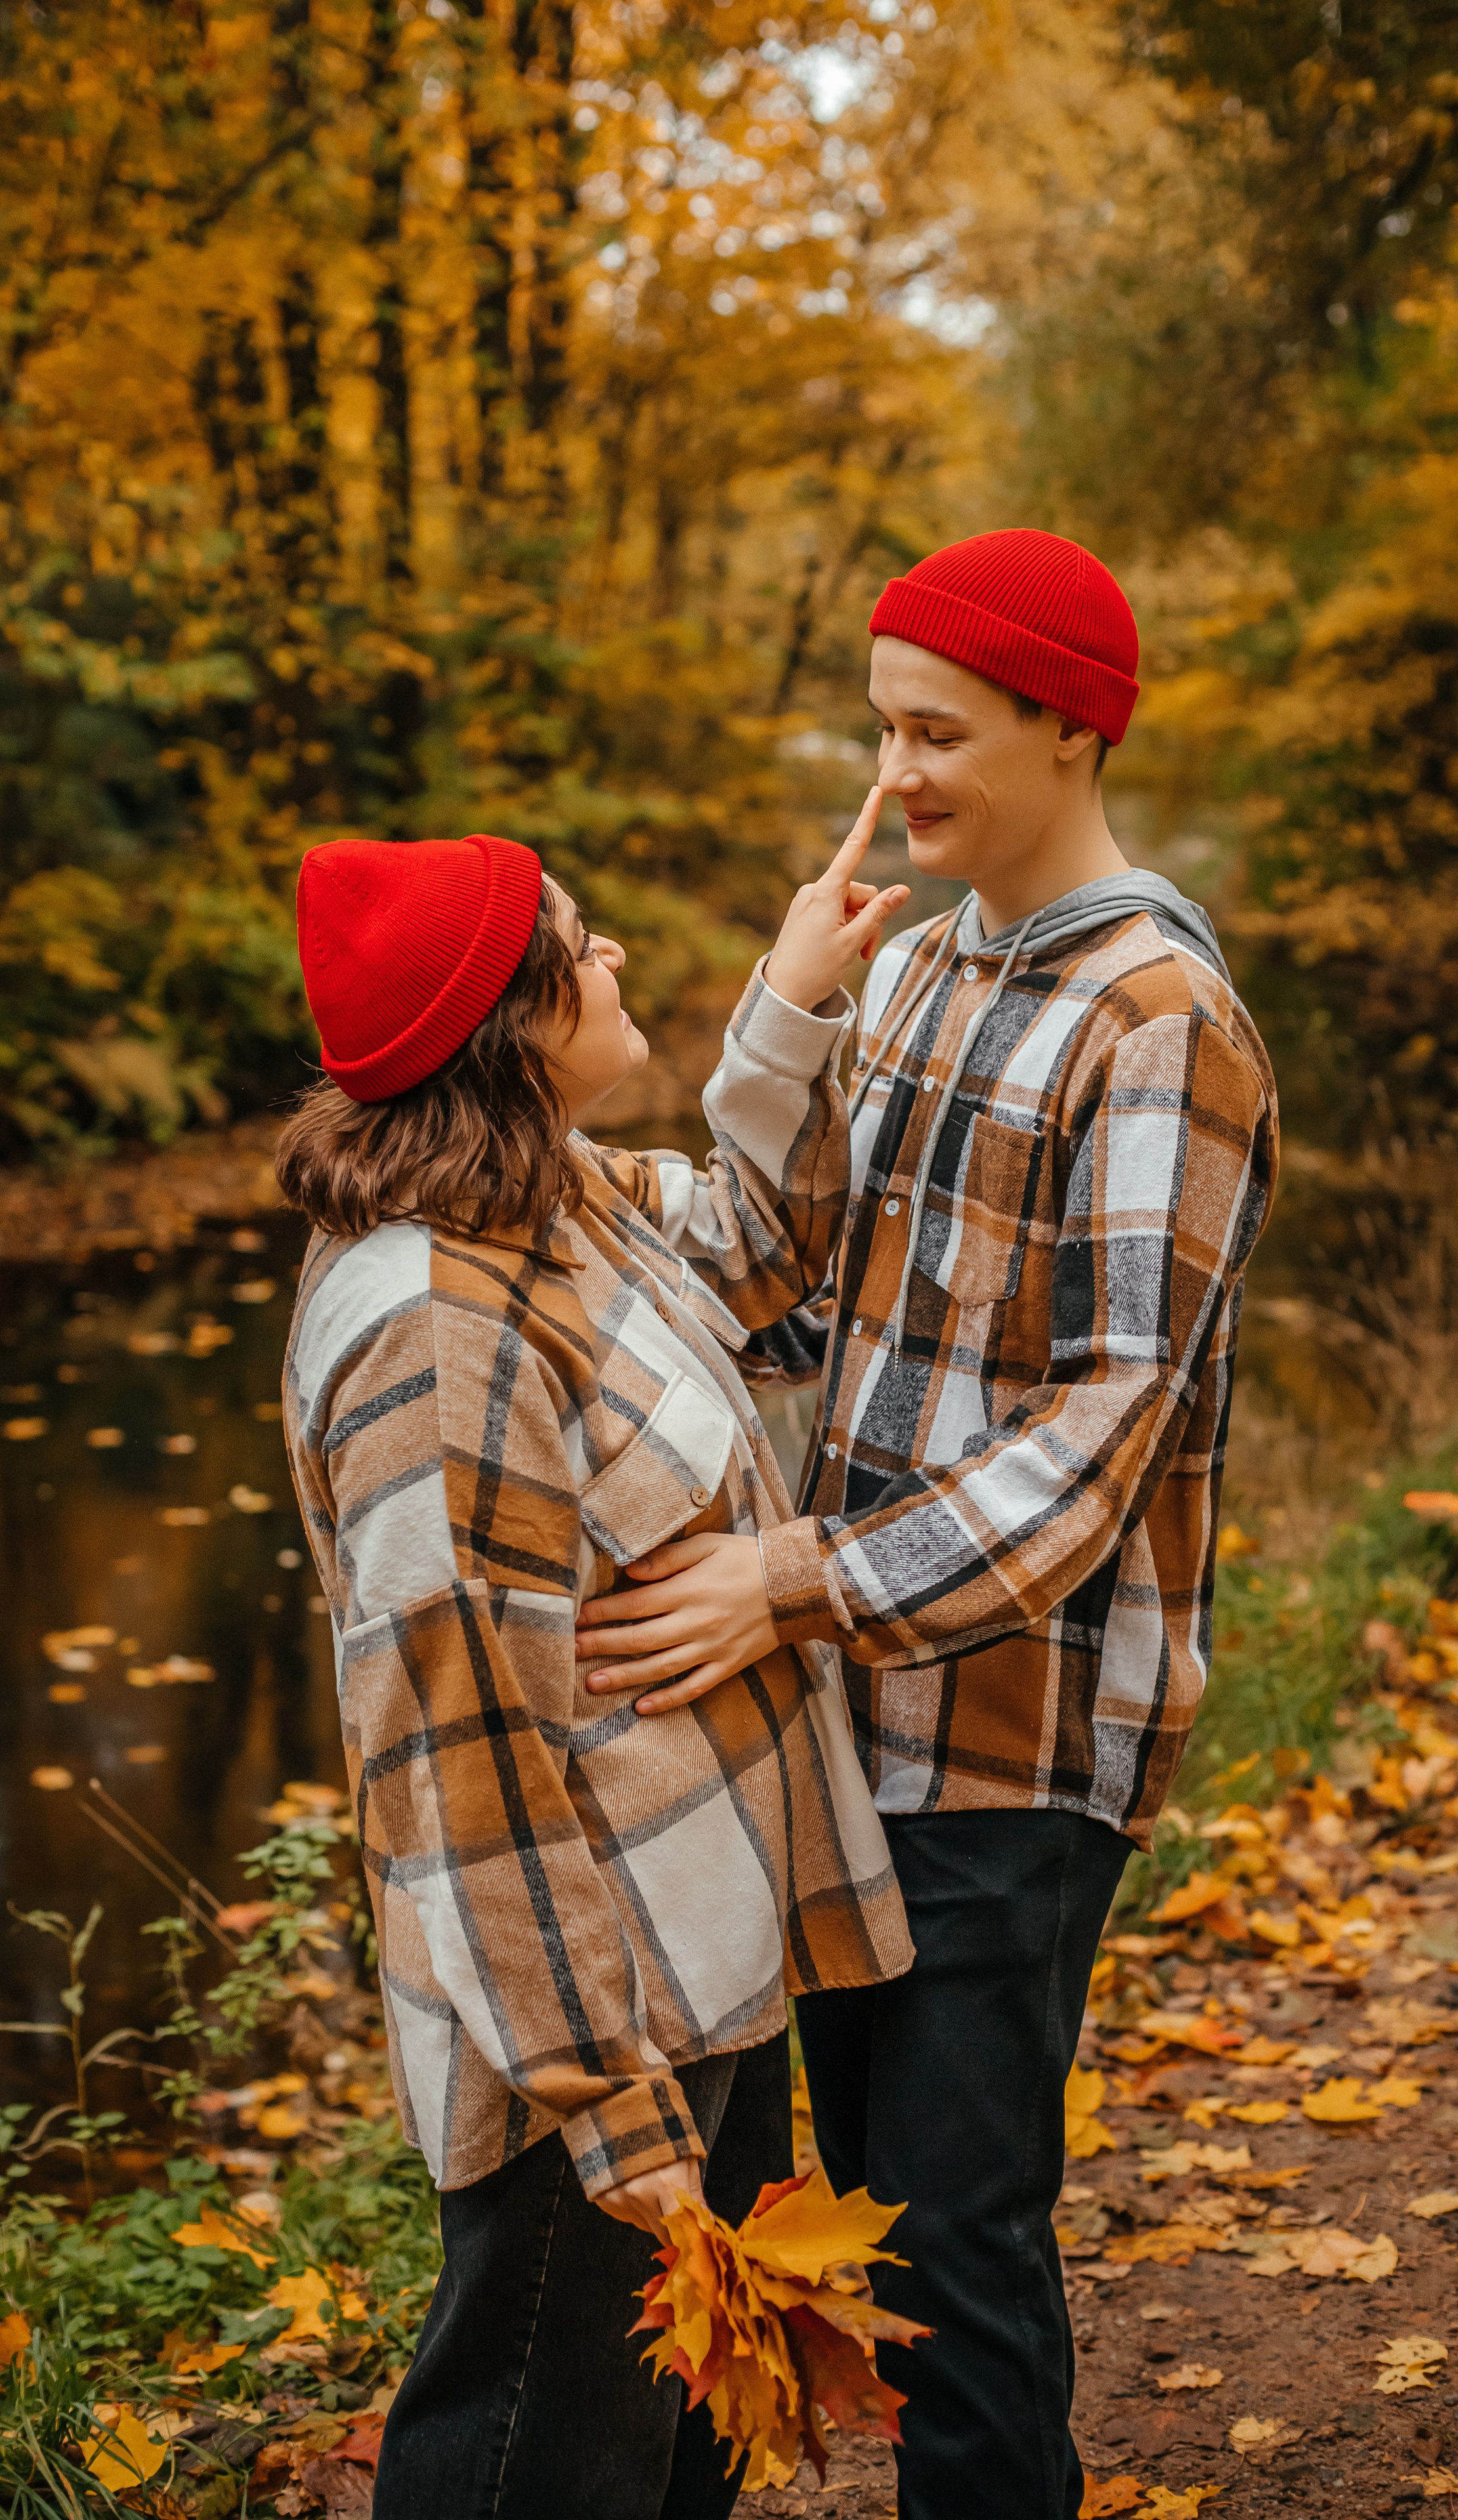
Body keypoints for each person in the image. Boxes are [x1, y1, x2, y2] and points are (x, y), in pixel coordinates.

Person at [576, 528, 1281, 2517]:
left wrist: (789, 1578)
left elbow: (1110, 1425)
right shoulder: (926, 967)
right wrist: (786, 1014)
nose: (897, 777)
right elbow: (769, 1286)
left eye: (940, 732)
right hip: (851, 1732)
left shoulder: (1162, 1024)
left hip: (1016, 1741)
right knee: (879, 2225)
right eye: (881, 731)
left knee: (961, 2266)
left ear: (1074, 726)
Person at [276, 818, 916, 2520]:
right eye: (579, 938)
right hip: (594, 2019)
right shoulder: (434, 1332)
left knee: (669, 2468)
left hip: (699, 1959)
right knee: (537, 2472)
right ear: (510, 1019)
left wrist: (789, 1001)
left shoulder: (554, 1201)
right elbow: (465, 1780)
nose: (615, 948)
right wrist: (615, 2123)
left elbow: (756, 1265)